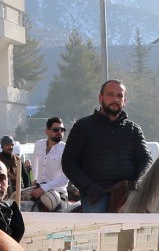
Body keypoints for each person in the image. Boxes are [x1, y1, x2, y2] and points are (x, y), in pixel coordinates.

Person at [62, 79, 151, 213]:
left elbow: (146, 160)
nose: (115, 99)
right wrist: (88, 186)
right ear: (100, 98)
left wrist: (139, 182)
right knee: (99, 225)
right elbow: (68, 162)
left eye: (119, 95)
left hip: (129, 195)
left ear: (124, 101)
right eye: (110, 94)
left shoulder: (134, 129)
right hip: (96, 196)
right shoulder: (83, 127)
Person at [27, 117, 71, 211]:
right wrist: (34, 179)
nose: (60, 132)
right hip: (38, 190)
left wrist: (43, 188)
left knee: (59, 216)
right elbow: (35, 162)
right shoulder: (39, 144)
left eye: (62, 130)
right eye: (56, 129)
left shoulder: (66, 149)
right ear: (47, 131)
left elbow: (65, 178)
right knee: (24, 211)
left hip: (58, 192)